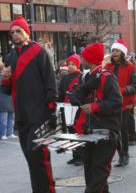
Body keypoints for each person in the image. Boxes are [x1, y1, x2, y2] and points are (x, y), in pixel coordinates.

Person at [1, 16, 57, 193]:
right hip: (22, 116)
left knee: (39, 156)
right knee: (30, 158)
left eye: (18, 31)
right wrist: (6, 79)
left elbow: (50, 82)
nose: (15, 35)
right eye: (12, 32)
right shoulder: (10, 57)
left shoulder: (39, 52)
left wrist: (51, 109)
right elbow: (8, 90)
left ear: (27, 32)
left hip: (39, 115)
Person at [69, 43, 122, 193]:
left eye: (83, 56)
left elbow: (117, 102)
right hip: (89, 132)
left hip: (106, 132)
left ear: (89, 59)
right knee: (92, 176)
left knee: (97, 176)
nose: (81, 58)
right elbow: (74, 97)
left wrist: (94, 107)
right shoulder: (86, 77)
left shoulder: (107, 77)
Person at [104, 39, 136, 167]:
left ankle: (124, 154)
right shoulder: (108, 67)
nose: (114, 52)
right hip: (111, 104)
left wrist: (122, 90)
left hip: (126, 103)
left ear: (122, 53)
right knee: (114, 130)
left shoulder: (131, 67)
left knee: (122, 129)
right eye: (113, 50)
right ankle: (120, 154)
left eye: (117, 50)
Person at [57, 54, 83, 166]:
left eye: (73, 64)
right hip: (66, 107)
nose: (71, 66)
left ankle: (81, 157)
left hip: (77, 108)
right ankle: (75, 156)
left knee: (78, 132)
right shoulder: (65, 78)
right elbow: (61, 92)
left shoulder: (81, 77)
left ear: (77, 65)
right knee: (70, 132)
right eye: (69, 64)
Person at [0, 57, 16, 140]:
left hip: (6, 99)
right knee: (6, 118)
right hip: (5, 99)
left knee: (7, 118)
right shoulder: (4, 77)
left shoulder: (7, 76)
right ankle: (5, 133)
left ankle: (7, 133)